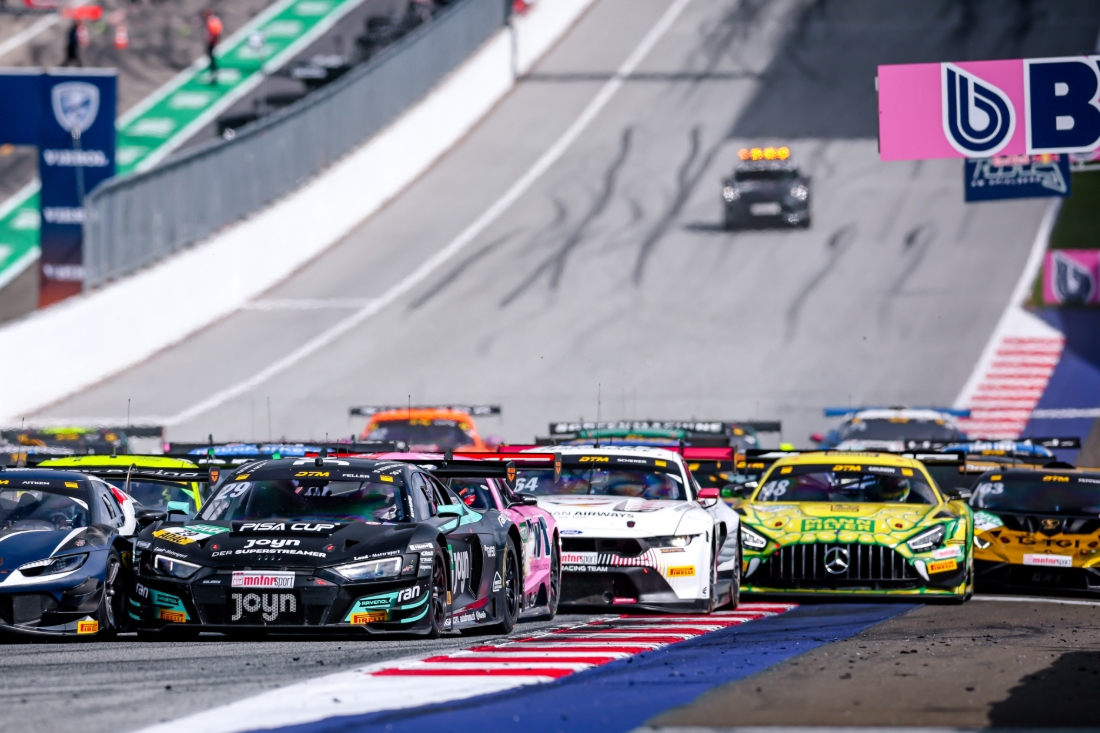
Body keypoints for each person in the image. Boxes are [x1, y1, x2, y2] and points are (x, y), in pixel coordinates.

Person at [202, 8, 223, 81]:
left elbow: (215, 32)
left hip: (212, 42)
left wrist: (214, 40)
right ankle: (214, 71)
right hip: (213, 41)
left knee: (212, 58)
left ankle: (214, 72)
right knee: (212, 57)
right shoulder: (215, 19)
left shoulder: (211, 21)